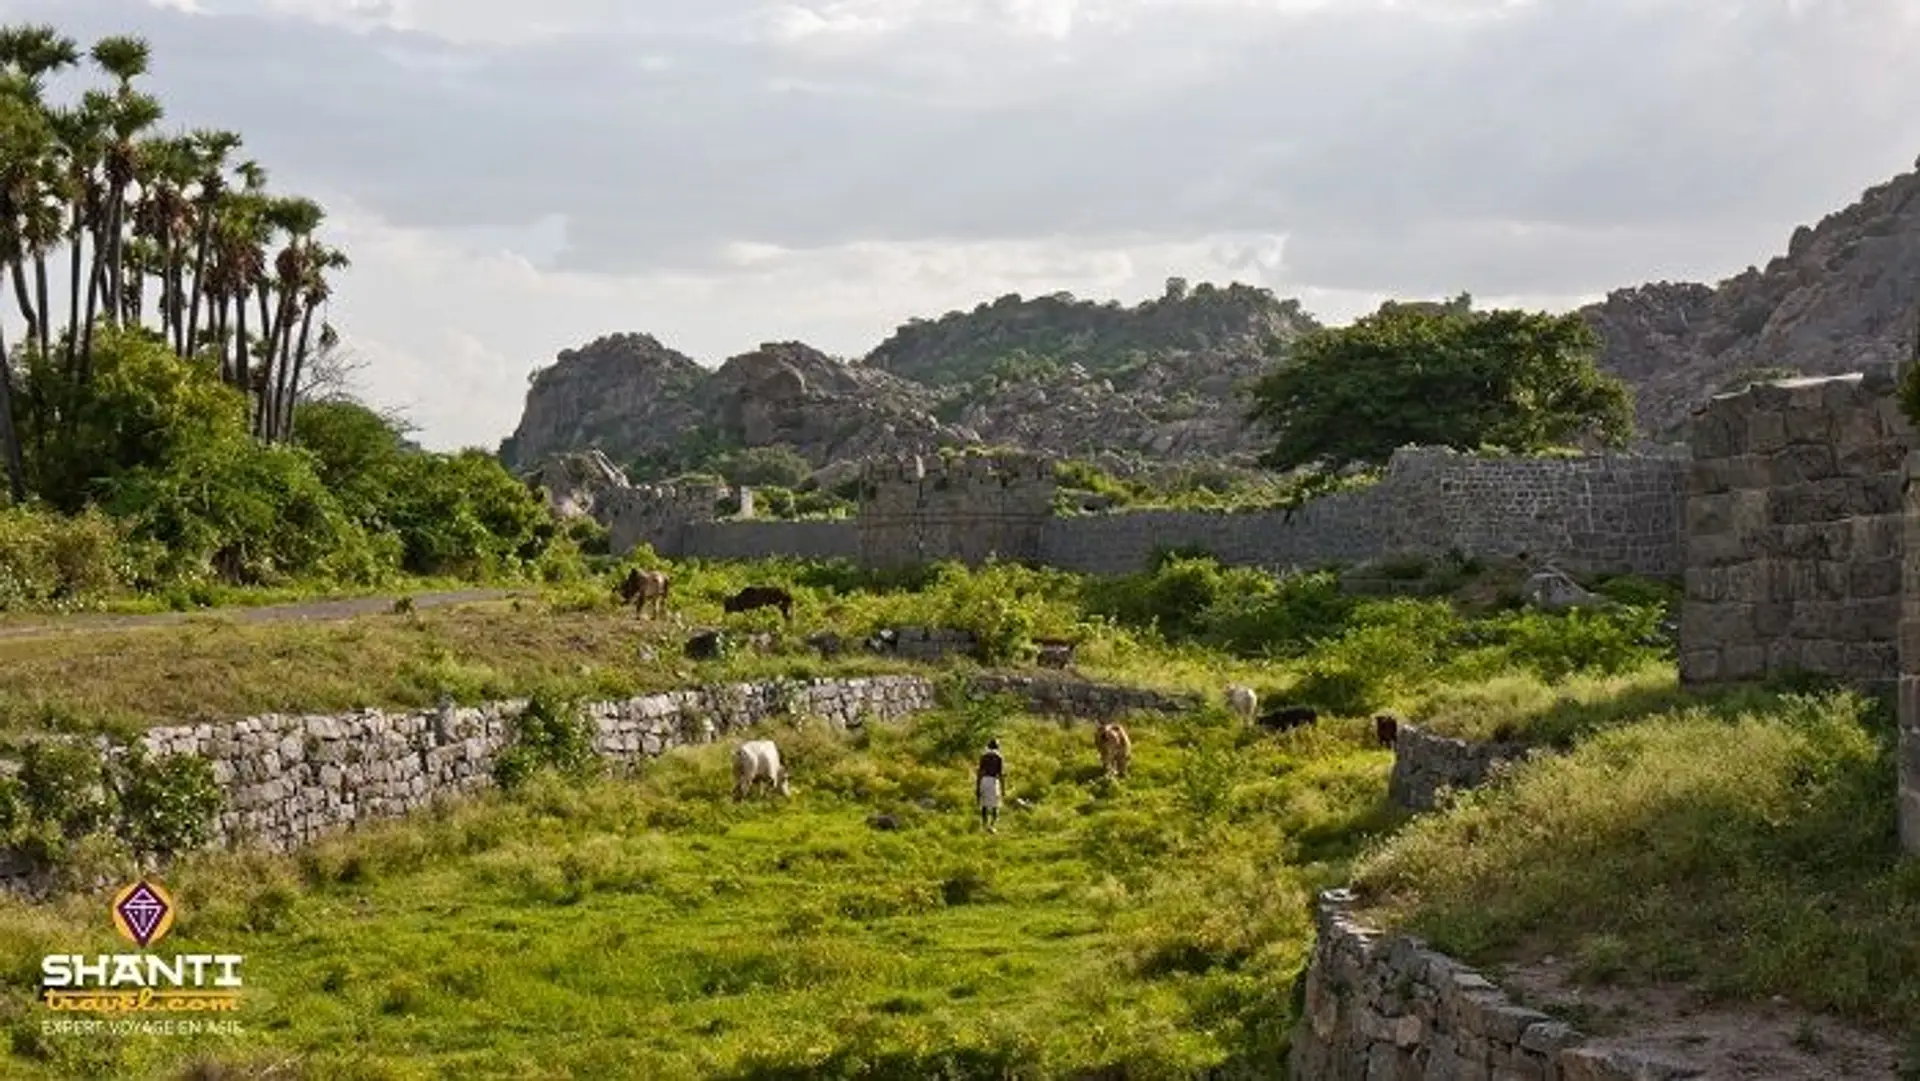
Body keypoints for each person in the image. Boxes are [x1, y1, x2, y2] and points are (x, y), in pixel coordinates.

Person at [975, 738, 1005, 833]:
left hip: (984, 780)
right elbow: (1000, 774)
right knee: (995, 805)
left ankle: (984, 824)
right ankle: (992, 825)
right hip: (993, 780)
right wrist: (1003, 788)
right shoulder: (999, 757)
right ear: (997, 747)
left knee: (984, 804)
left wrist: (977, 786)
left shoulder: (984, 756)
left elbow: (980, 772)